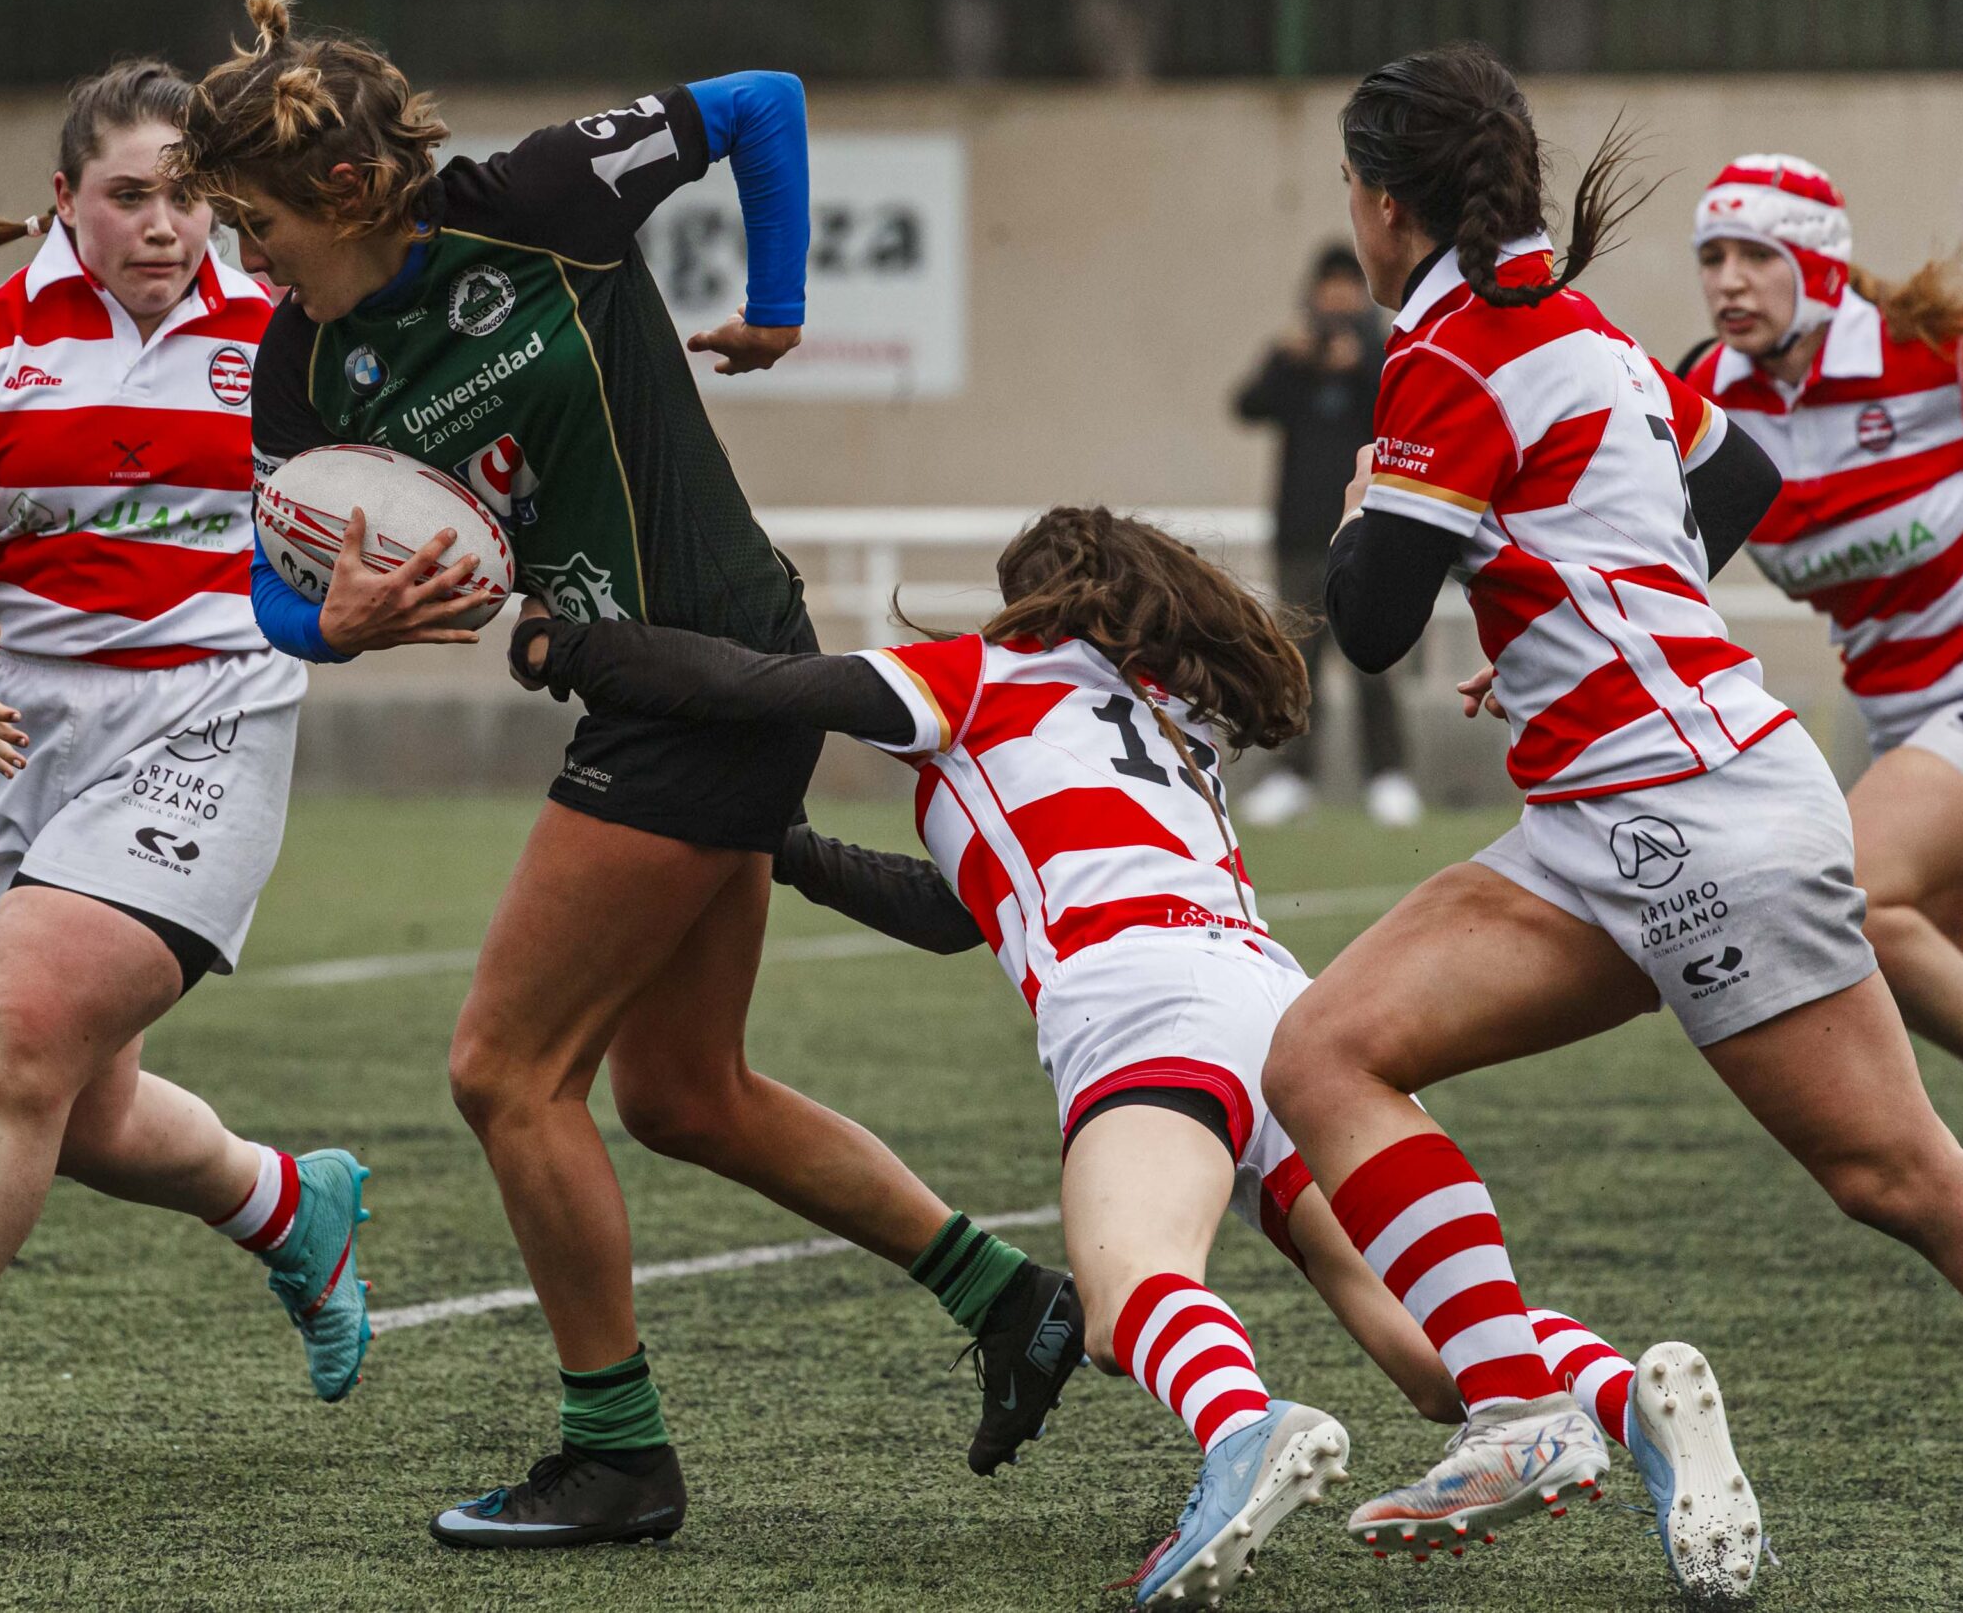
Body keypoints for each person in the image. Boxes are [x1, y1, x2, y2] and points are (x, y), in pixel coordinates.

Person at [167, 0, 1084, 1547]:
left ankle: (619, 1456)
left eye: (248, 222)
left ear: (341, 190)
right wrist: (341, 618)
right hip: (642, 688)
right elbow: (272, 580)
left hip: (711, 670)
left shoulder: (534, 202)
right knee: (683, 1091)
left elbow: (761, 105)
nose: (236, 257)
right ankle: (1012, 1300)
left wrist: (781, 299)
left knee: (504, 1071)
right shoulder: (302, 368)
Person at [507, 504, 1687, 1605]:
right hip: (1276, 1005)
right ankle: (1632, 1406)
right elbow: (958, 908)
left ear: (1042, 599)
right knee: (1432, 1351)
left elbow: (759, 684)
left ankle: (1244, 1432)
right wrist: (795, 851)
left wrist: (579, 653)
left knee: (1128, 1294)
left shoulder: (981, 675)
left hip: (1141, 1005)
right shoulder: (1170, 721)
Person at [1262, 43, 1963, 1601]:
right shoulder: (1570, 326)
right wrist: (1567, 626)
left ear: (1384, 203)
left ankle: (1524, 1401)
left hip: (1697, 817)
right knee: (1324, 1051)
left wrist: (1401, 533)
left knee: (1912, 1184)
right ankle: (1522, 1410)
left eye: (1350, 189)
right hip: (1610, 816)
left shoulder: (1446, 354)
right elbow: (1735, 476)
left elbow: (1372, 619)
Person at [0, 60, 372, 1492]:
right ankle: (294, 1205)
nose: (165, 224)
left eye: (186, 194)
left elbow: (382, 510)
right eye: (130, 196)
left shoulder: (295, 338)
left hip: (208, 719)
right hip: (16, 739)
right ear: (68, 201)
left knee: (15, 1037)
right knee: (77, 1110)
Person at [1677, 156, 1963, 1070]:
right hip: (1898, 719)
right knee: (1949, 940)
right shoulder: (1706, 393)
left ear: (1819, 267)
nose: (1727, 280)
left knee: (1856, 895)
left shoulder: (1939, 353)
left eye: (1755, 255)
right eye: (1711, 255)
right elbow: (1643, 544)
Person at [1232, 244, 1420, 828]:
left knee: (1373, 663)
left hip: (1373, 531)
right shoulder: (1293, 361)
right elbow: (1246, 406)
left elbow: (1408, 407)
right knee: (1296, 663)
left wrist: (1361, 360)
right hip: (1300, 537)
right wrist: (1287, 360)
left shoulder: (1387, 355)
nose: (1336, 295)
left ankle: (1388, 776)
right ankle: (1292, 776)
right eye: (1327, 284)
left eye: (1347, 284)